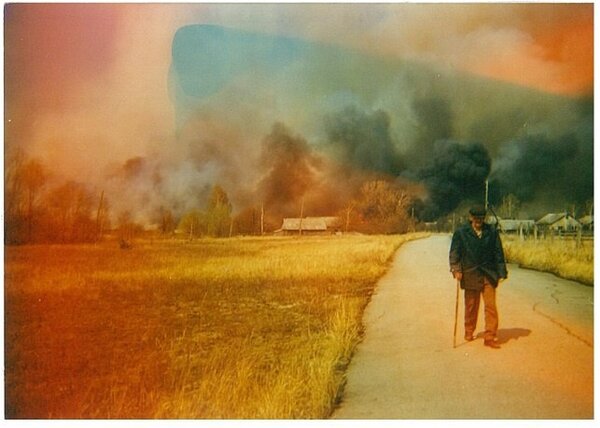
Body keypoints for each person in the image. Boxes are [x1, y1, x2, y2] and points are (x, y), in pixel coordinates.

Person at [449, 205, 508, 349]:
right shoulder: (461, 233)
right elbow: (454, 254)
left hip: (488, 273)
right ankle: (469, 330)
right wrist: (456, 269)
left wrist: (501, 272)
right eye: (476, 218)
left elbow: (498, 253)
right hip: (470, 273)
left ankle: (490, 336)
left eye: (481, 219)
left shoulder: (492, 232)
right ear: (471, 218)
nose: (478, 221)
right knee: (471, 306)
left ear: (484, 218)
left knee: (490, 306)